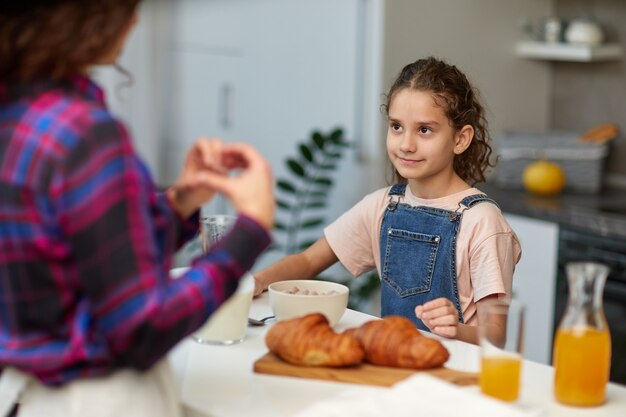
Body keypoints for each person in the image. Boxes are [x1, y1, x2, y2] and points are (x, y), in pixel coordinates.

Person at [0, 1, 274, 416]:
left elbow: (85, 258)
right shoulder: (86, 135)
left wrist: (181, 202)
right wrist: (250, 230)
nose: (134, 19)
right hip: (96, 402)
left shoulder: (21, 119)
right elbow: (143, 330)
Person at [254, 57, 521, 345]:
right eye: (396, 126)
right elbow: (308, 260)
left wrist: (456, 328)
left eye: (424, 130)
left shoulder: (481, 221)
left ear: (460, 139)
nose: (406, 144)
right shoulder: (383, 205)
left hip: (452, 378)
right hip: (392, 365)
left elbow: (495, 336)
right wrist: (251, 283)